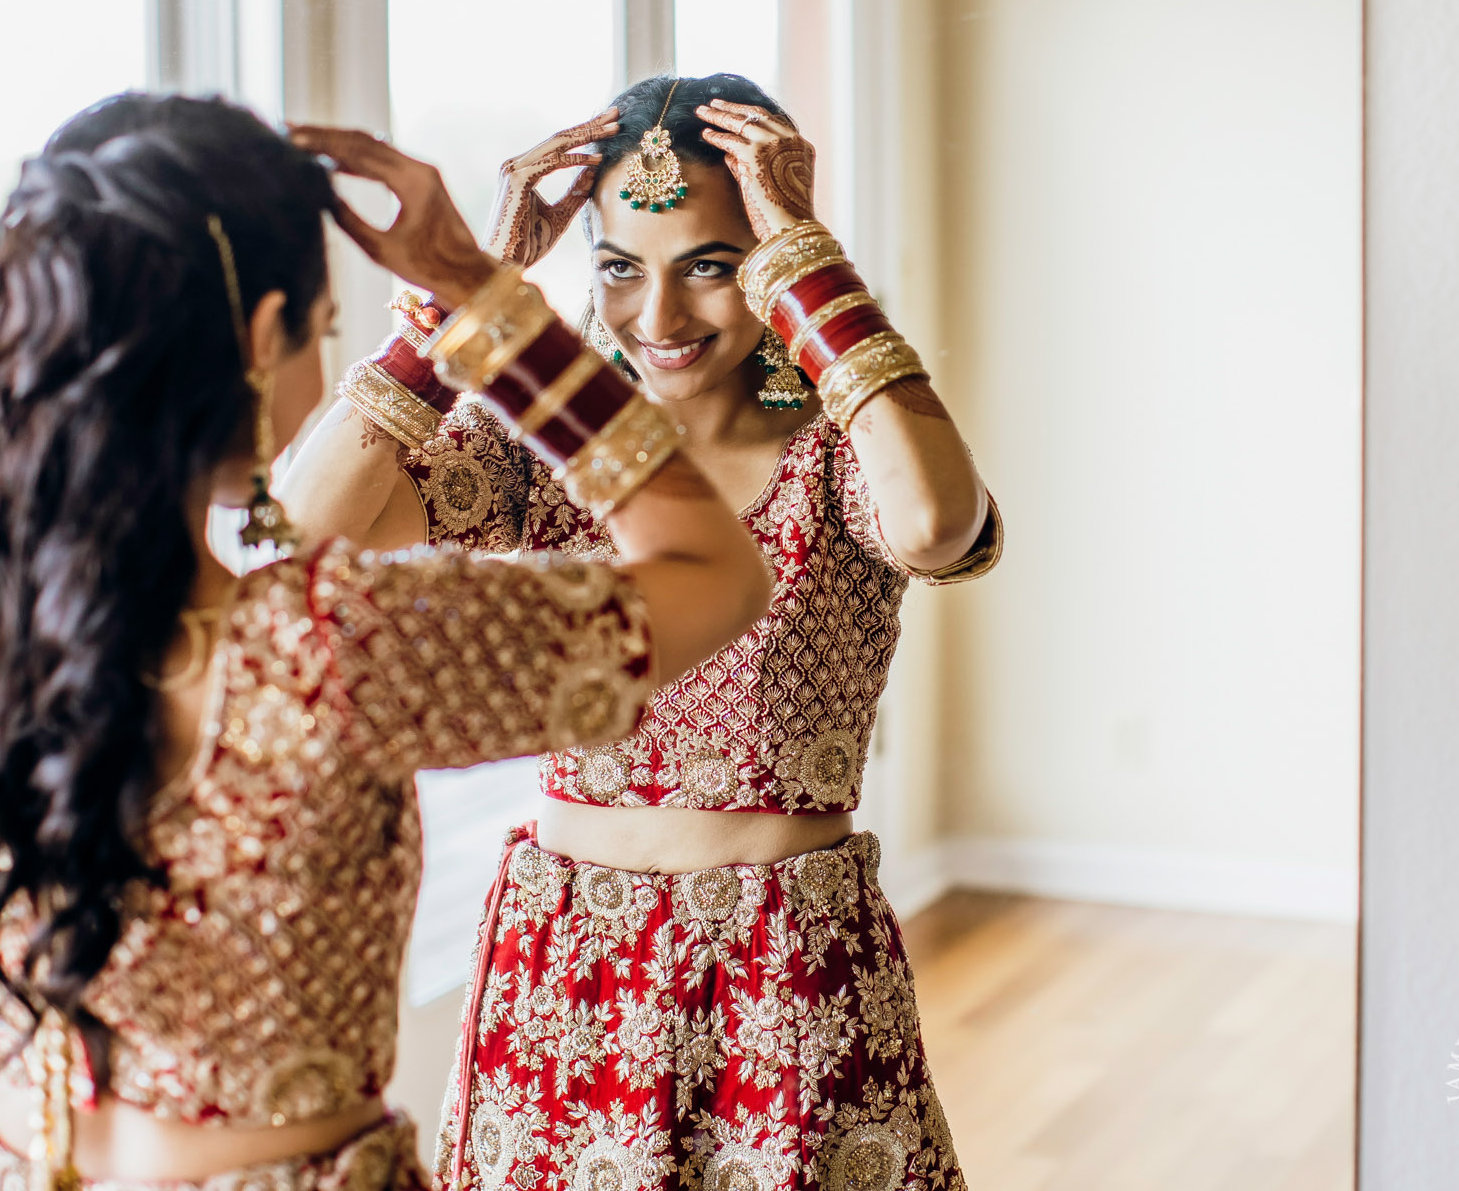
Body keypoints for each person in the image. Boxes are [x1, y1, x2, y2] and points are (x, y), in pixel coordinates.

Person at [0, 91, 770, 1191]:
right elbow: (713, 569)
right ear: (265, 335)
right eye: (322, 332)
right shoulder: (338, 645)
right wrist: (483, 299)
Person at [281, 73, 1001, 1191]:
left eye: (709, 266)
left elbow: (936, 519)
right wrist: (469, 289)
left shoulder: (834, 451)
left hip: (784, 970)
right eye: (619, 269)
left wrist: (807, 261)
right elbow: (311, 527)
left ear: (764, 256)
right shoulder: (550, 445)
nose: (657, 319)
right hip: (564, 968)